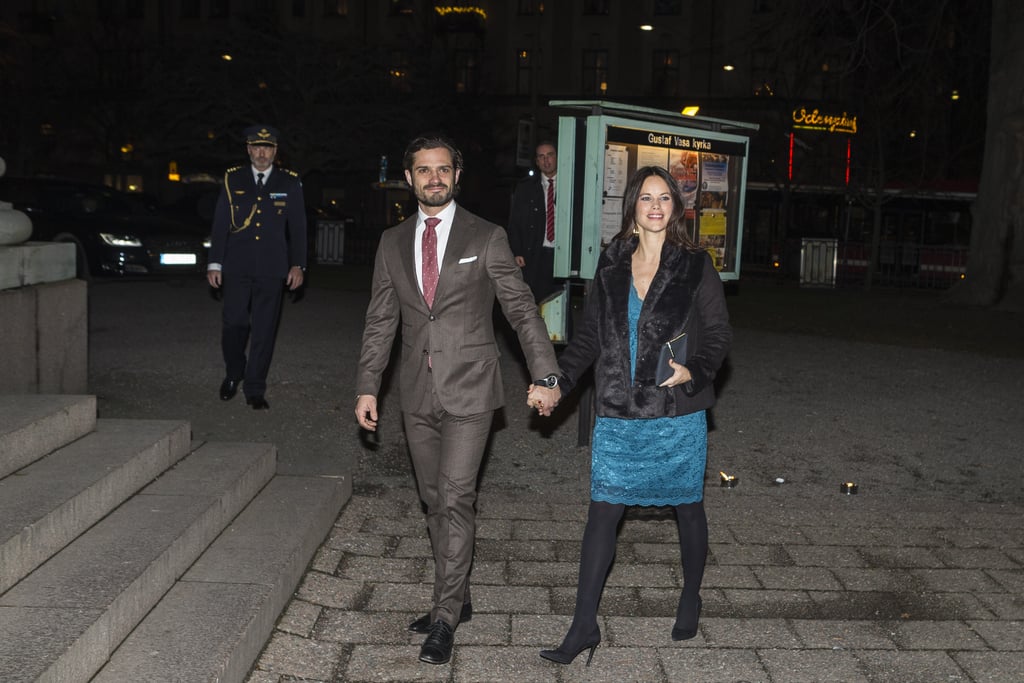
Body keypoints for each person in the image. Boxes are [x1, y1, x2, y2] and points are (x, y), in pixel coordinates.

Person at [354, 134, 560, 666]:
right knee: (430, 499)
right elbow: (381, 321)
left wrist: (546, 373)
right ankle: (459, 592)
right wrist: (367, 385)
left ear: (457, 175)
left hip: (471, 391)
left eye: (443, 169)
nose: (434, 178)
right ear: (409, 178)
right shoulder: (390, 242)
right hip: (416, 395)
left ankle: (444, 617)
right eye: (424, 171)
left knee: (455, 497)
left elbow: (520, 310)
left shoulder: (486, 236)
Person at [529, 165, 732, 666]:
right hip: (618, 412)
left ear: (676, 208)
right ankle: (583, 625)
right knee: (603, 511)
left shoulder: (695, 264)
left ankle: (690, 595)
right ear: (633, 208)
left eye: (665, 197)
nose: (656, 206)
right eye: (646, 198)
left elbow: (719, 337)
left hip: (675, 414)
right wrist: (557, 382)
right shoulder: (612, 262)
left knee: (688, 506)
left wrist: (694, 372)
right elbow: (588, 340)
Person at [207, 124, 307, 410]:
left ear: (275, 151)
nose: (262, 153)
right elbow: (220, 224)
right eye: (257, 147)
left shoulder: (289, 182)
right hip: (236, 266)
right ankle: (234, 371)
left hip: (273, 269)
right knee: (234, 324)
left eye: (268, 147)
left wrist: (298, 264)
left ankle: (254, 388)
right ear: (248, 149)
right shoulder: (232, 178)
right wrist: (215, 262)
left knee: (264, 330)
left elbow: (298, 228)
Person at [507, 141, 559, 302]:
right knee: (534, 300)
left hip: (561, 254)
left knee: (560, 300)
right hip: (536, 252)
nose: (546, 160)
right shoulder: (526, 187)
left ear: (557, 157)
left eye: (550, 155)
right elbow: (515, 221)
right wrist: (517, 251)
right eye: (541, 157)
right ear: (537, 162)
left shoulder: (570, 185)